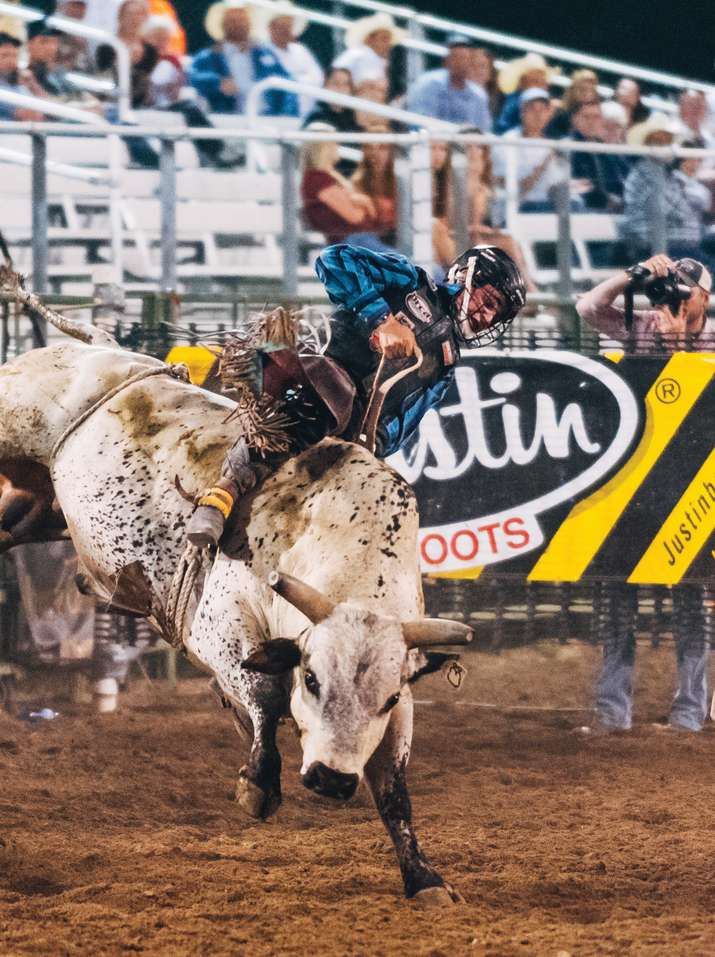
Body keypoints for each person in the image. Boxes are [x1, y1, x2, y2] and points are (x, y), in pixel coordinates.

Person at [576, 254, 714, 732]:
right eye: (669, 285)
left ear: (705, 298)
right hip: (631, 482)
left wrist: (678, 351)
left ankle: (690, 712)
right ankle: (613, 712)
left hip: (694, 486)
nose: (673, 295)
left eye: (684, 288)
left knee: (691, 601)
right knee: (618, 594)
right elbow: (588, 309)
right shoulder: (642, 324)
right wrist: (631, 276)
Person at [621, 115, 711, 263]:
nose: (664, 146)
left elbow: (687, 206)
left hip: (679, 244)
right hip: (652, 245)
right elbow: (664, 209)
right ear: (647, 144)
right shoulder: (643, 172)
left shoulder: (667, 173)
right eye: (658, 141)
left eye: (667, 141)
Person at [190, 0, 296, 116]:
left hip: (265, 119)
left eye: (241, 20)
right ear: (223, 24)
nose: (237, 24)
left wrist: (284, 114)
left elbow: (286, 81)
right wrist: (216, 83)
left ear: (250, 23)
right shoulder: (210, 55)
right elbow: (192, 77)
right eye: (232, 20)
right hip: (227, 119)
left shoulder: (263, 53)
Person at [300, 123, 388, 250]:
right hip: (352, 242)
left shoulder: (329, 176)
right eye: (334, 143)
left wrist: (360, 202)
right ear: (324, 148)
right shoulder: (317, 179)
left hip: (361, 239)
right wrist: (366, 202)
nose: (337, 147)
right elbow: (355, 217)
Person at [492, 88, 561, 213]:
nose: (538, 115)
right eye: (532, 109)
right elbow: (501, 183)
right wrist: (539, 170)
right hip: (516, 208)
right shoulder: (507, 141)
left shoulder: (550, 145)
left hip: (546, 206)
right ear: (522, 112)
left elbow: (554, 185)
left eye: (543, 109)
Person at [406, 34, 492, 130]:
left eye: (464, 58)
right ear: (446, 61)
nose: (460, 63)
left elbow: (483, 131)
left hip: (466, 142)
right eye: (455, 57)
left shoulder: (479, 95)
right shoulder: (427, 83)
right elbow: (418, 123)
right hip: (432, 140)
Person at [253, 1, 323, 116]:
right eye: (281, 26)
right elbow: (273, 79)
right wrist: (302, 80)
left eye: (288, 25)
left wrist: (295, 81)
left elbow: (318, 77)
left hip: (308, 111)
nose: (285, 30)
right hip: (276, 113)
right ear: (270, 27)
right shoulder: (261, 51)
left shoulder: (301, 50)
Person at [568, 99, 628, 211]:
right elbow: (581, 187)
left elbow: (623, 179)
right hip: (584, 211)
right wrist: (609, 200)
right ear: (575, 119)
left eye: (596, 117)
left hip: (614, 210)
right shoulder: (568, 148)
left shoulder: (605, 150)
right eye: (586, 117)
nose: (591, 122)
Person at [332, 12, 404, 88]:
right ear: (369, 40)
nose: (388, 44)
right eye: (384, 39)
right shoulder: (361, 54)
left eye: (390, 41)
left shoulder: (377, 60)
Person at [494, 51, 556, 135]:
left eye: (542, 80)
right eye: (534, 80)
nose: (540, 84)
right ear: (522, 82)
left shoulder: (546, 103)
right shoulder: (514, 102)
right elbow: (501, 130)